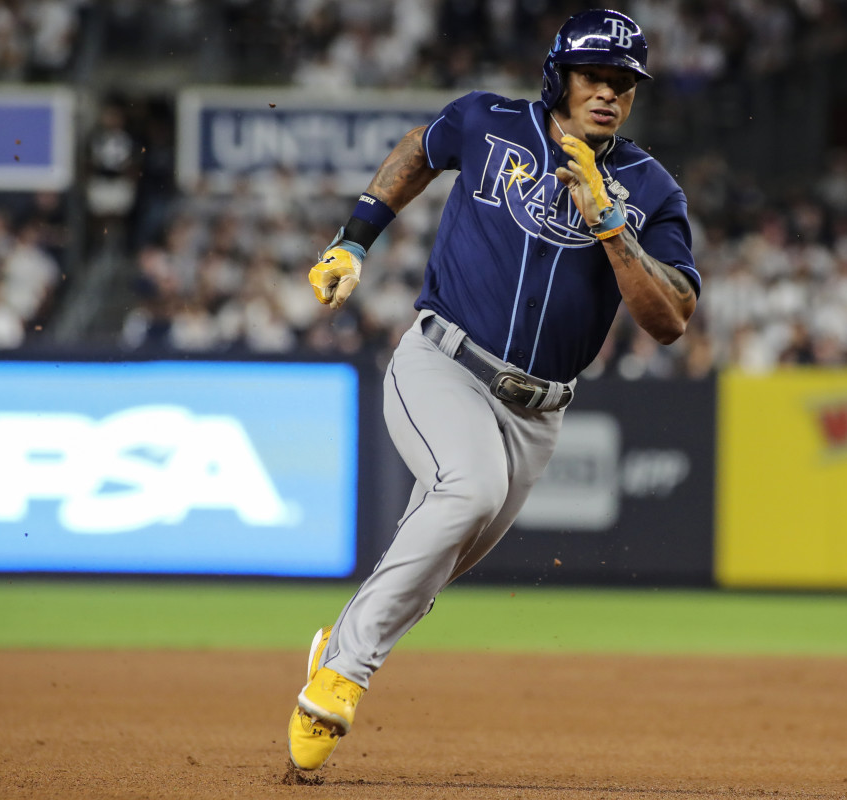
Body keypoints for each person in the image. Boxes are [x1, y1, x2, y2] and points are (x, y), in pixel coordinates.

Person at [287, 9, 700, 773]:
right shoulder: (489, 122)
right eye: (593, 77)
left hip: (538, 412)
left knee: (441, 554)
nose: (608, 93)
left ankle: (337, 647)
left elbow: (670, 318)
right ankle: (343, 677)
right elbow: (420, 149)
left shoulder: (648, 188)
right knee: (467, 491)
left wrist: (613, 228)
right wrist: (354, 237)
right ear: (559, 76)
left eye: (623, 83)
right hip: (442, 361)